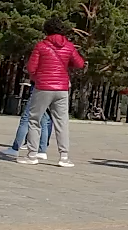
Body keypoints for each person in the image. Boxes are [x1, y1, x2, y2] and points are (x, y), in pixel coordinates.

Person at [17, 18, 85, 166]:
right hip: (62, 88)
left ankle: (32, 155)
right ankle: (64, 157)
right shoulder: (69, 46)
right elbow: (79, 63)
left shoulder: (41, 46)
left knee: (34, 120)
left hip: (43, 87)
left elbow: (31, 67)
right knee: (62, 122)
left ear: (46, 30)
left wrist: (36, 77)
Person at [4, 76, 53, 159]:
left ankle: (15, 148)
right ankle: (42, 150)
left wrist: (31, 79)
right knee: (44, 121)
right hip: (53, 89)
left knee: (26, 119)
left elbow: (33, 69)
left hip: (40, 87)